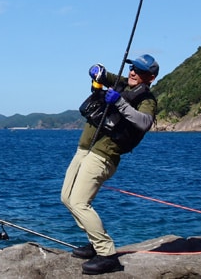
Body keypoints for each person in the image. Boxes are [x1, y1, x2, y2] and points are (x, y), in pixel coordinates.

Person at [60, 54, 159, 275]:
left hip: (103, 155)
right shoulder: (122, 83)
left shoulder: (147, 99)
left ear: (150, 78)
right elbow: (103, 74)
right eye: (132, 68)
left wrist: (119, 102)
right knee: (67, 197)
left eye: (140, 71)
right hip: (84, 149)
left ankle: (107, 254)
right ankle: (96, 243)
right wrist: (96, 71)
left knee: (79, 202)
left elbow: (144, 122)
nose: (133, 73)